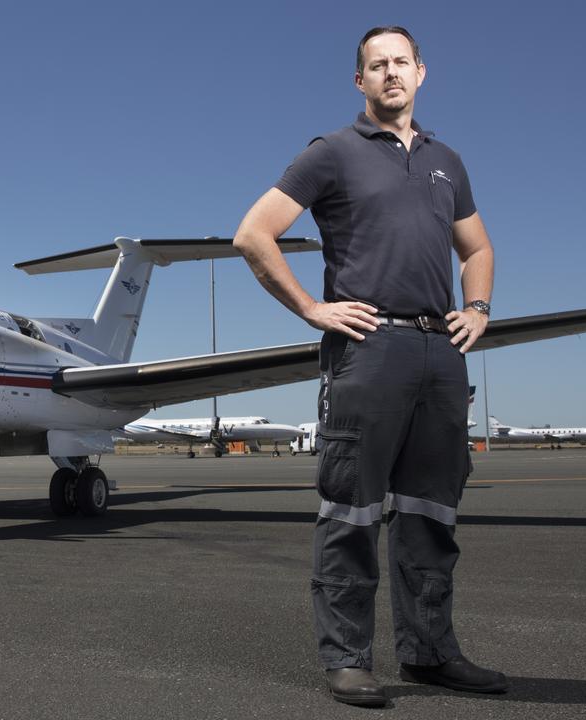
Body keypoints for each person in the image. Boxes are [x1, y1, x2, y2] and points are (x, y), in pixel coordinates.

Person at [231, 26, 507, 707]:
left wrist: (478, 306)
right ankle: (349, 658)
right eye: (377, 65)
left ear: (421, 73)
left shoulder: (447, 160)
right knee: (351, 512)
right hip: (369, 346)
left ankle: (431, 651)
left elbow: (476, 247)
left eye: (401, 63)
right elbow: (253, 233)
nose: (390, 73)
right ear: (361, 81)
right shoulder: (332, 153)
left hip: (438, 352)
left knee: (430, 514)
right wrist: (310, 309)